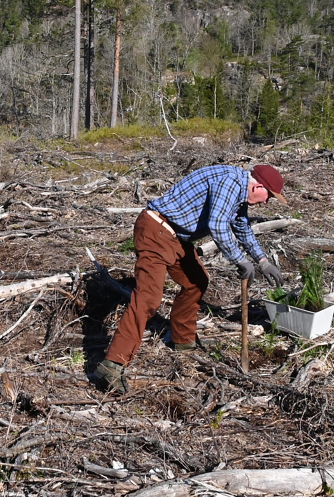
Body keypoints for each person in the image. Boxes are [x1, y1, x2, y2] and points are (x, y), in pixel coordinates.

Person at [95, 164, 289, 395]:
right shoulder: (230, 182)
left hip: (176, 237)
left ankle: (182, 341)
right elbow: (218, 225)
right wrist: (239, 259)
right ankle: (113, 364)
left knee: (197, 281)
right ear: (257, 185)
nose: (266, 203)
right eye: (268, 197)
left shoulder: (239, 190)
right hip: (156, 229)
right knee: (148, 299)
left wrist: (262, 260)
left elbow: (240, 225)